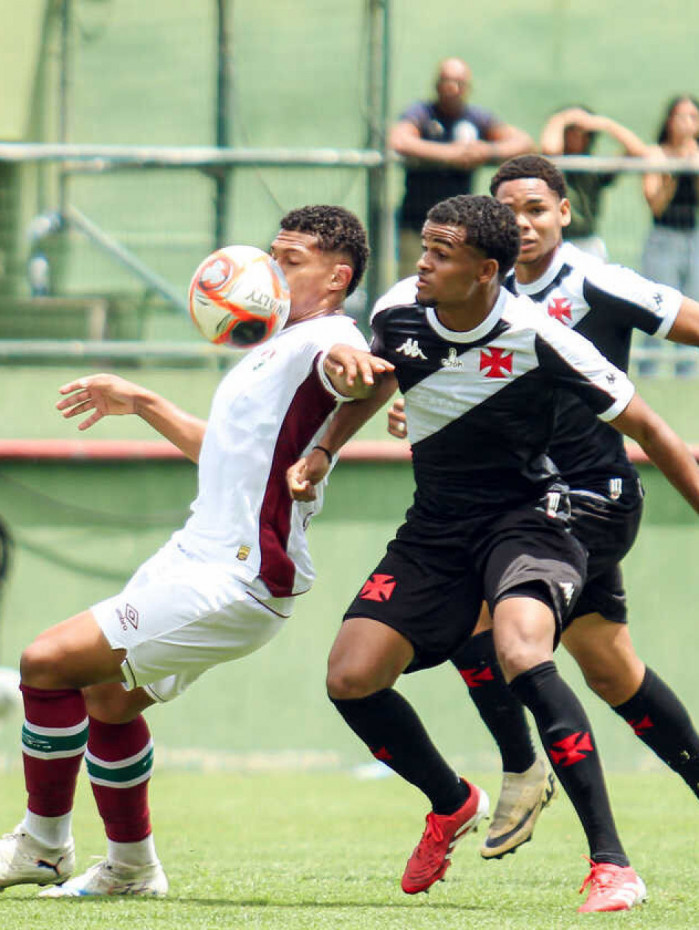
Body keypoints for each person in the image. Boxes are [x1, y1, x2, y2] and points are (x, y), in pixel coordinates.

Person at [288, 194, 699, 912]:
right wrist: (324, 447)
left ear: (484, 271)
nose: (421, 262)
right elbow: (384, 378)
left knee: (521, 648)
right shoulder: (397, 313)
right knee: (350, 676)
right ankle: (452, 802)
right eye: (422, 247)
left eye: (439, 254)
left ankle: (610, 865)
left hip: (529, 519)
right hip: (435, 529)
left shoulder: (542, 337)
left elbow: (650, 428)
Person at [0, 204, 393, 898]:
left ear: (336, 278)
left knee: (44, 661)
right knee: (108, 703)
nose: (271, 270)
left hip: (239, 576)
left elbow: (353, 370)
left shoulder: (324, 339)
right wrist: (145, 401)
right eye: (271, 253)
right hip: (195, 556)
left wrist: (356, 367)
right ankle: (131, 868)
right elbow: (226, 454)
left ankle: (42, 843)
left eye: (291, 259)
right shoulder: (270, 348)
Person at [387, 155, 699, 869]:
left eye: (536, 208)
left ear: (564, 211)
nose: (522, 223)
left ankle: (522, 769)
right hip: (523, 499)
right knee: (609, 668)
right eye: (508, 211)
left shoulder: (596, 282)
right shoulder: (463, 295)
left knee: (485, 615)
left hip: (585, 498)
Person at [389, 57, 533, 280]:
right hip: (417, 220)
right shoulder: (422, 113)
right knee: (414, 281)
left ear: (468, 88)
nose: (452, 88)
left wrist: (486, 151)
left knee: (456, 283)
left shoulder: (476, 118)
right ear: (436, 85)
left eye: (459, 82)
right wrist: (451, 155)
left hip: (459, 225)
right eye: (447, 81)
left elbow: (523, 143)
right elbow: (400, 141)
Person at [540, 106, 648, 260]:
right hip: (557, 243)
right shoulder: (552, 169)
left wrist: (604, 124)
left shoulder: (593, 168)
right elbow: (549, 150)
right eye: (572, 131)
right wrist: (561, 119)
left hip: (588, 243)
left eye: (583, 132)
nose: (578, 137)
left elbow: (638, 152)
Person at [640, 96, 699, 376]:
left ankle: (688, 375)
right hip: (663, 238)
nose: (688, 122)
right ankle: (647, 372)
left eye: (693, 116)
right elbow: (656, 204)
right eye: (682, 116)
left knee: (692, 309)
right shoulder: (657, 154)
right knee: (655, 307)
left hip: (693, 238)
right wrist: (675, 170)